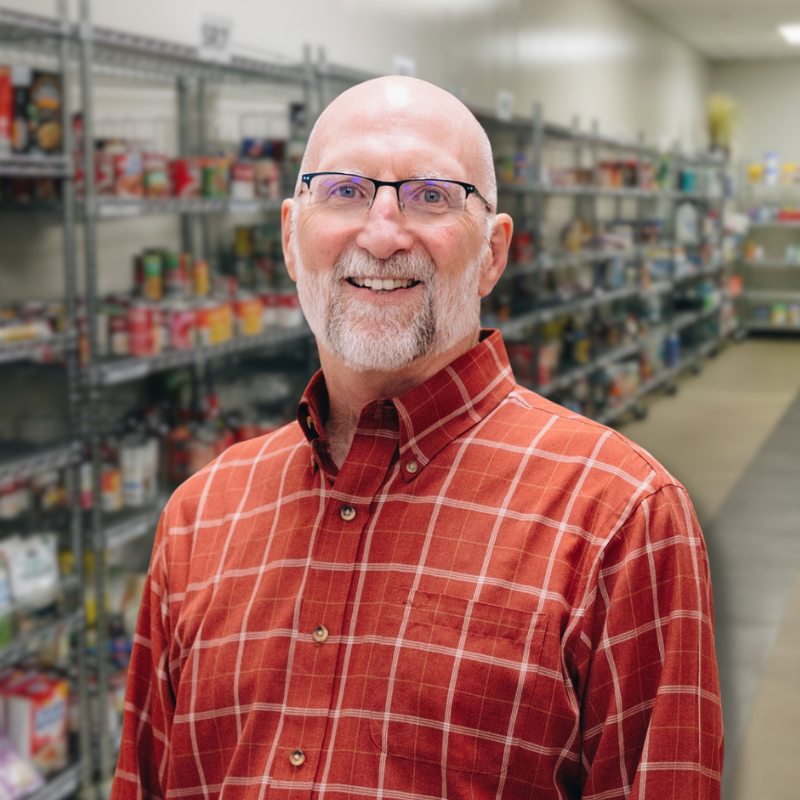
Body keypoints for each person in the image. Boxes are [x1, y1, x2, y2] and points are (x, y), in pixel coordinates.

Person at [112, 76, 723, 800]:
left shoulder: (620, 517)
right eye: (343, 190)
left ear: (493, 253)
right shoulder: (201, 515)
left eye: (431, 195)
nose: (381, 233)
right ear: (290, 238)